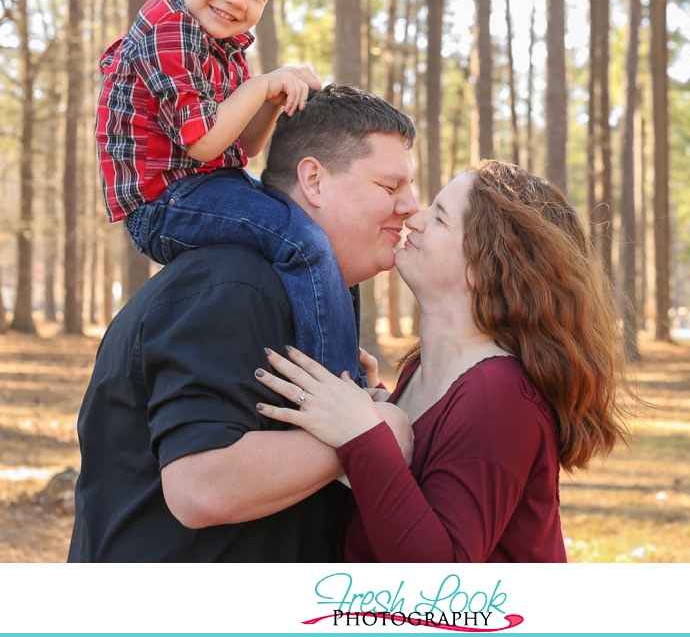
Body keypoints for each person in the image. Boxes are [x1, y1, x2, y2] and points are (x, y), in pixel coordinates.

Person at [69, 87, 419, 562]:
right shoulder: (236, 285)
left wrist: (354, 411)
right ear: (313, 180)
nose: (411, 206)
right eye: (390, 187)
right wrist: (371, 436)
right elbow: (200, 486)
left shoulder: (309, 291)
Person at [254, 160, 631, 562]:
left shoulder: (499, 398)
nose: (414, 219)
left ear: (485, 263)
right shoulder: (427, 371)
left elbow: (441, 579)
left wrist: (362, 436)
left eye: (440, 217)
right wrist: (376, 405)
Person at [97, 0, 363, 381]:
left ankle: (341, 354)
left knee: (328, 229)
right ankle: (340, 386)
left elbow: (245, 147)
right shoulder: (169, 31)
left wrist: (275, 97)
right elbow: (202, 143)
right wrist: (261, 83)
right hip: (163, 204)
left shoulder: (221, 44)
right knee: (302, 243)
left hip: (211, 186)